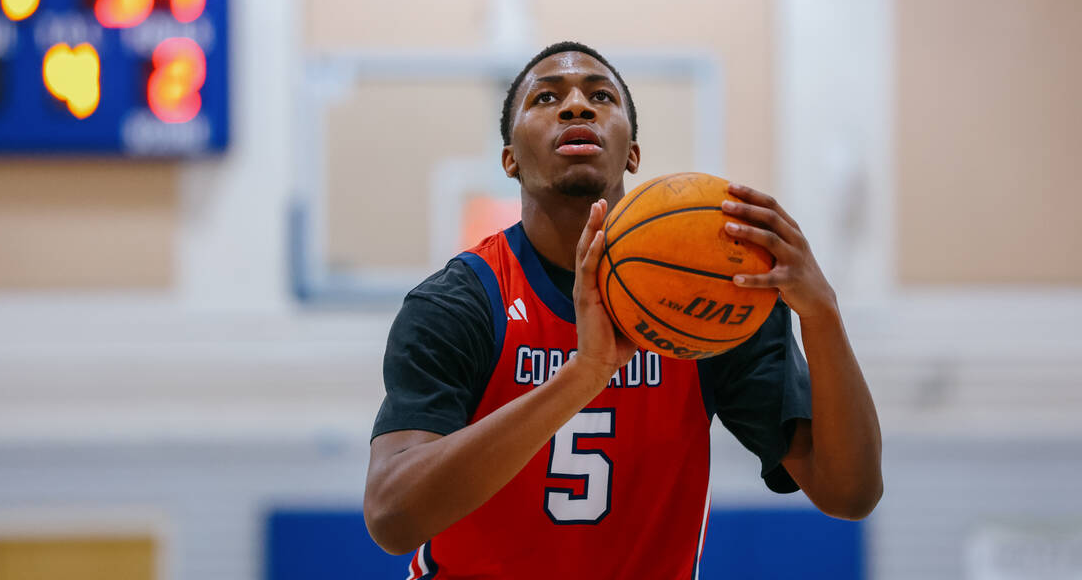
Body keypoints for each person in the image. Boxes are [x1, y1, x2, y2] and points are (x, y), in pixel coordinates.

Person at [364, 42, 882, 579]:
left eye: (601, 96)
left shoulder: (713, 299)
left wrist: (822, 313)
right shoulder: (460, 303)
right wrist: (584, 376)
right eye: (546, 98)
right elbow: (391, 517)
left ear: (632, 153)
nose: (576, 105)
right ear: (509, 159)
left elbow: (850, 492)